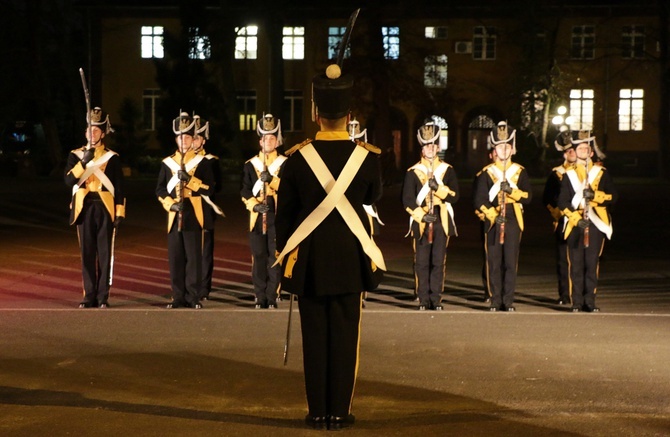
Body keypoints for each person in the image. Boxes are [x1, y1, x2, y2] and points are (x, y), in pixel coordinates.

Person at [275, 62, 385, 430]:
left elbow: (283, 218)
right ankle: (339, 411)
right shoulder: (367, 159)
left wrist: (287, 258)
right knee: (344, 338)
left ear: (315, 114)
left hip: (308, 262)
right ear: (350, 115)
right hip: (351, 260)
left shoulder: (294, 160)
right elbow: (373, 196)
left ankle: (317, 411)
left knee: (315, 340)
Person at [65, 107, 125, 309]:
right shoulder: (76, 156)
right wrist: (84, 162)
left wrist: (119, 212)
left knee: (105, 253)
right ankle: (88, 295)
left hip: (105, 207)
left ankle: (102, 297)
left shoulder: (112, 157)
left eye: (97, 131)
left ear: (102, 133)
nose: (93, 134)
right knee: (87, 253)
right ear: (85, 133)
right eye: (90, 130)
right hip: (84, 207)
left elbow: (119, 186)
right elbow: (68, 180)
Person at [156, 112, 215, 309]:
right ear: (176, 139)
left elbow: (209, 188)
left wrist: (190, 180)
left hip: (193, 212)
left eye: (188, 137)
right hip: (174, 213)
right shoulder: (167, 163)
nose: (184, 140)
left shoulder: (203, 163)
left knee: (194, 259)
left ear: (192, 140)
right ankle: (177, 296)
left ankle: (192, 297)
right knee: (176, 258)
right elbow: (160, 189)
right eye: (181, 137)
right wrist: (170, 204)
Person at [473, 121, 532, 312]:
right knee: (493, 261)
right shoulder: (486, 174)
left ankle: (508, 301)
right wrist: (492, 215)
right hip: (493, 220)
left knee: (510, 261)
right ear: (494, 150)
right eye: (500, 147)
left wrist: (512, 192)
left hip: (513, 218)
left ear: (512, 149)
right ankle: (494, 299)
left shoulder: (520, 172)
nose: (504, 150)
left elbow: (528, 196)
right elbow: (479, 200)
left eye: (507, 146)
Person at [401, 120, 459, 311]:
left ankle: (436, 298)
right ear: (422, 148)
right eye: (427, 146)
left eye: (434, 145)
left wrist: (439, 189)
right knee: (421, 261)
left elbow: (454, 196)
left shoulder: (447, 170)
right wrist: (422, 216)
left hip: (441, 219)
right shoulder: (413, 172)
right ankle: (423, 298)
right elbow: (407, 200)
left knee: (438, 261)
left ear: (438, 147)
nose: (430, 149)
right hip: (422, 221)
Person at [557, 130, 617, 312]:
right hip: (577, 223)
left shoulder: (601, 173)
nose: (583, 151)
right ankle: (576, 302)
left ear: (591, 152)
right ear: (575, 151)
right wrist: (575, 219)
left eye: (586, 148)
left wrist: (595, 195)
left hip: (596, 222)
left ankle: (589, 301)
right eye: (580, 148)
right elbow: (562, 202)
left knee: (592, 264)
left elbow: (613, 197)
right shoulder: (568, 175)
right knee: (576, 265)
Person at [241, 113, 286, 309]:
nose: (268, 141)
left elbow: (290, 189)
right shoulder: (251, 165)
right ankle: (259, 296)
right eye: (265, 138)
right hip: (258, 217)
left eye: (272, 138)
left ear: (277, 141)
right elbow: (244, 190)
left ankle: (272, 295)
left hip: (276, 216)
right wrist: (254, 205)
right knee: (258, 257)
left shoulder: (285, 163)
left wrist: (273, 181)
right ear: (260, 141)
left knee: (274, 257)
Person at [542, 128, 577, 305]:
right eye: (567, 150)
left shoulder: (588, 171)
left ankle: (581, 294)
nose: (571, 153)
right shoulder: (556, 174)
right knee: (563, 260)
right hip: (563, 220)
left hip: (584, 219)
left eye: (573, 149)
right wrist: (558, 214)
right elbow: (547, 198)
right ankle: (565, 295)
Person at [192, 115, 224, 301]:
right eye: (191, 137)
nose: (193, 141)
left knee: (204, 252)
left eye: (196, 138)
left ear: (203, 140)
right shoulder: (181, 160)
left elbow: (216, 186)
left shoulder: (211, 161)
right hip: (187, 209)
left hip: (204, 209)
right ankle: (190, 285)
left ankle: (203, 287)